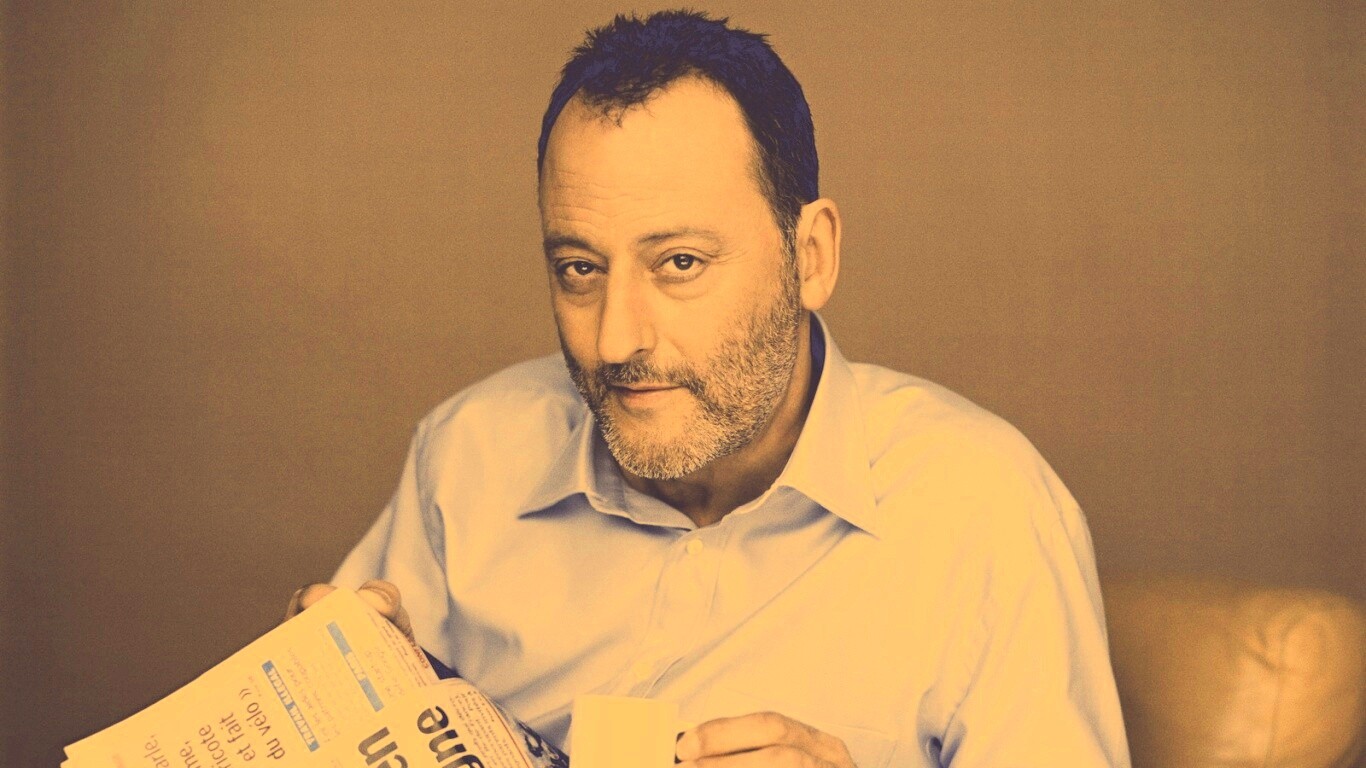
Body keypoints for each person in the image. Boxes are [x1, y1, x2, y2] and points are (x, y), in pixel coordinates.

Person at [287, 11, 1130, 768]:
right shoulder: (467, 456)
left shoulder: (983, 508)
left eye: (680, 263)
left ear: (810, 256)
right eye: (579, 269)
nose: (616, 340)